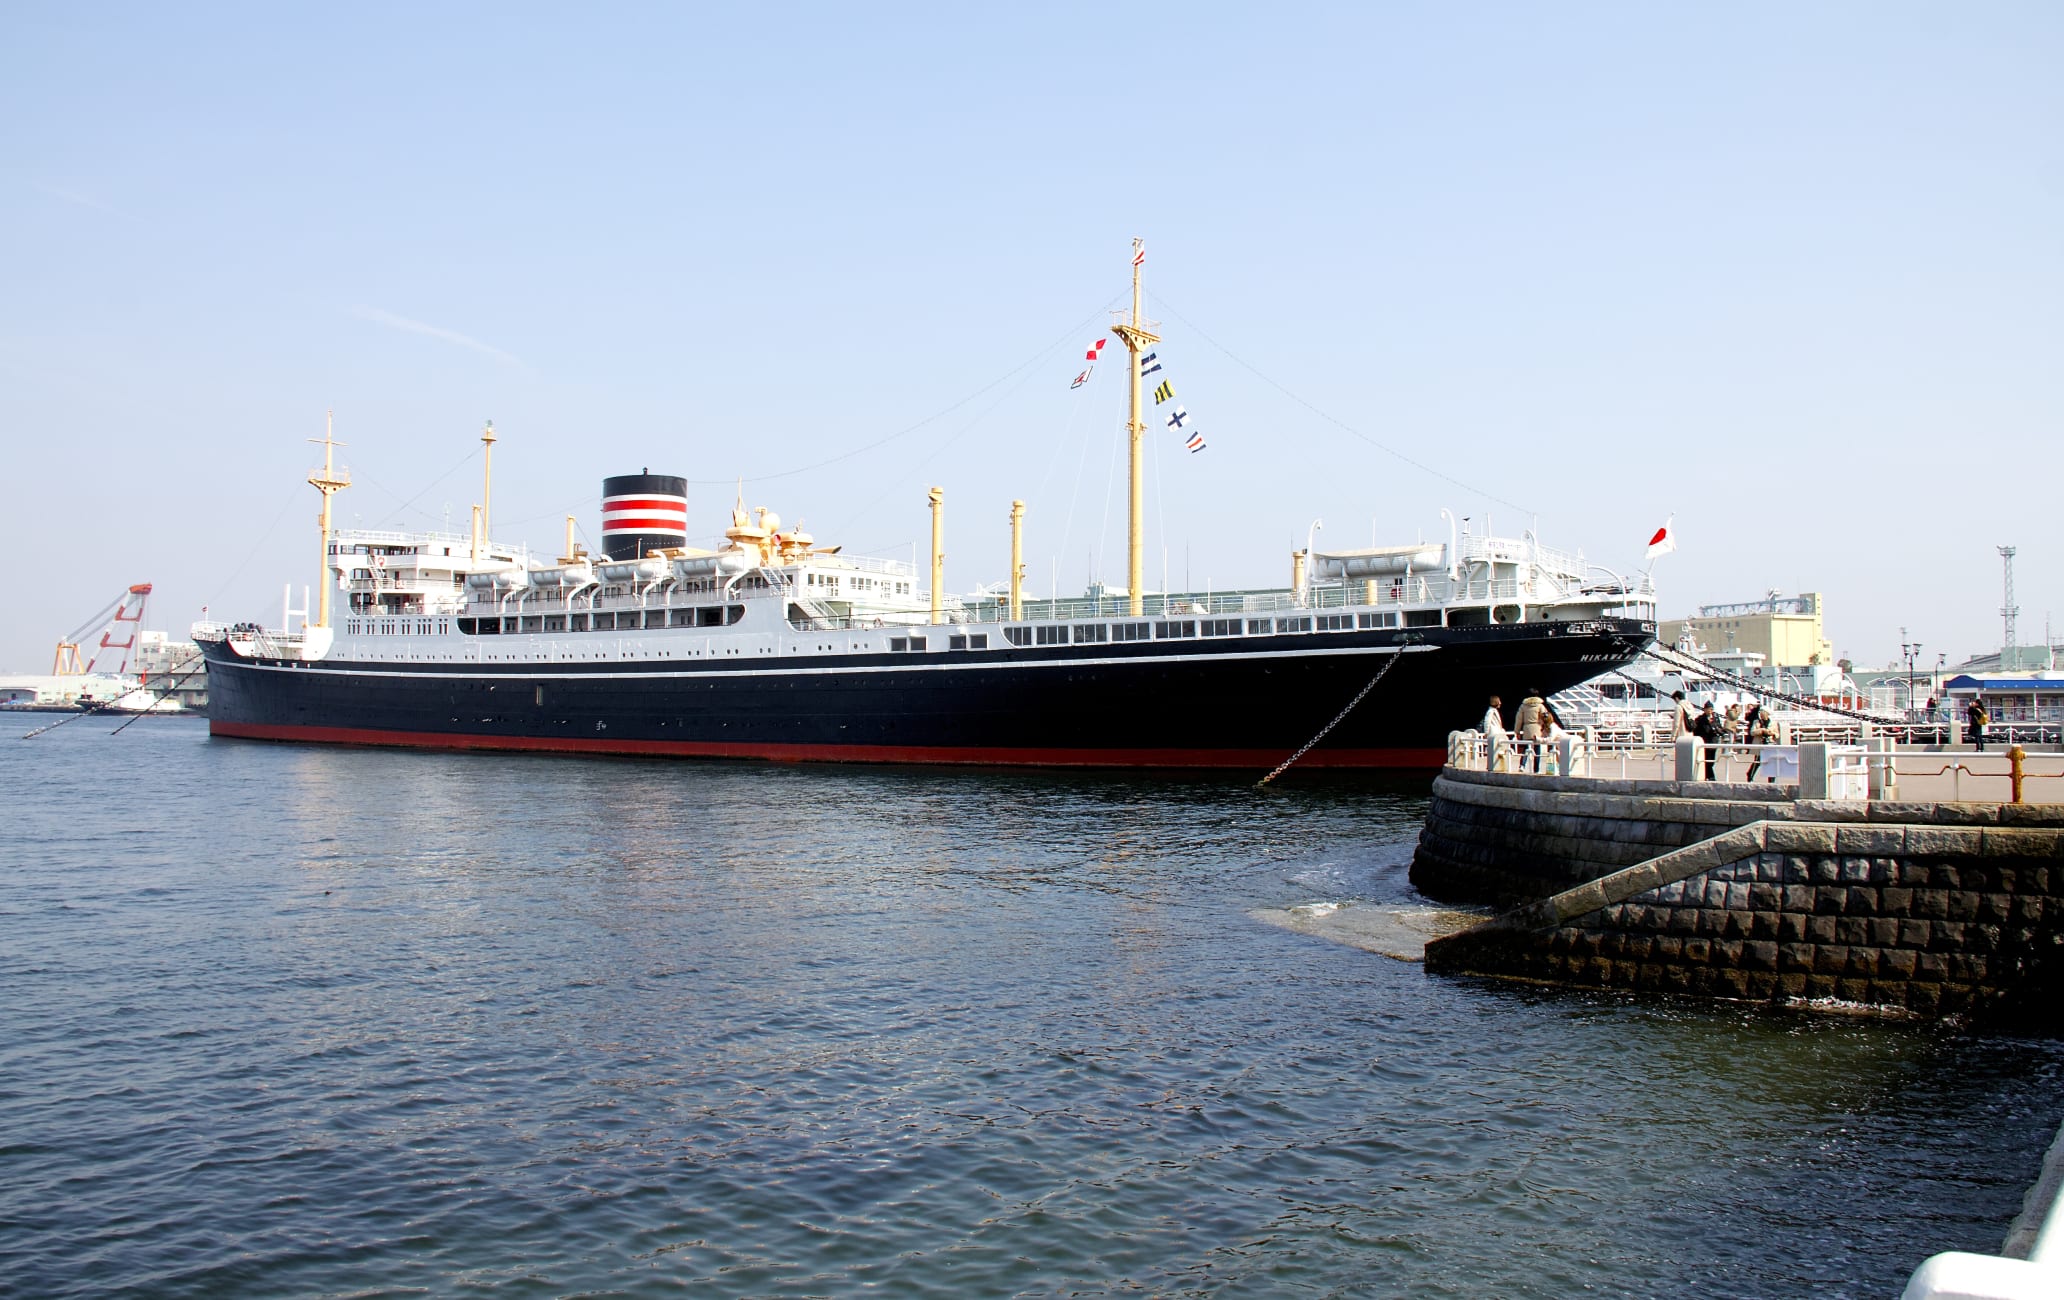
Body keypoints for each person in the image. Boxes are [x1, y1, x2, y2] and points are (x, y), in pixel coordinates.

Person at [1515, 687, 1547, 773]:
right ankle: (1536, 769)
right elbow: (1545, 717)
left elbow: (1519, 719)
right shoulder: (1540, 706)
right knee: (1537, 749)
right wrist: (1546, 729)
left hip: (1527, 728)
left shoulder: (1523, 706)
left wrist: (1517, 731)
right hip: (1537, 728)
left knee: (1526, 748)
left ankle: (1522, 765)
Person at [1691, 701, 1723, 781]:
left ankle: (1708, 775)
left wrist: (1718, 730)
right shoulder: (1700, 719)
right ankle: (1711, 776)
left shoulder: (1715, 717)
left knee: (1712, 760)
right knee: (1707, 760)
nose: (1710, 711)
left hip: (1714, 741)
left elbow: (1719, 727)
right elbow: (1696, 730)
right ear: (1704, 709)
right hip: (1705, 741)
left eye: (1711, 709)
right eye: (1708, 709)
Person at [1482, 695, 1509, 771]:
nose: (1500, 703)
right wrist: (1486, 732)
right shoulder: (1491, 711)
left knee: (1495, 750)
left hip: (1496, 732)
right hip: (1493, 733)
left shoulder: (1494, 710)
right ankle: (1490, 765)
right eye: (1499, 701)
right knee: (1493, 750)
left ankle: (1492, 765)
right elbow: (1487, 721)